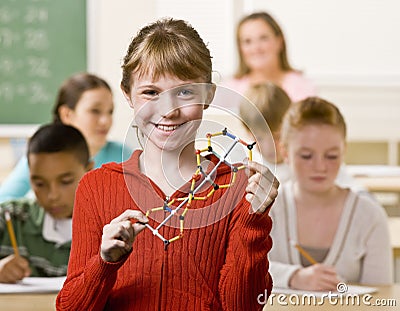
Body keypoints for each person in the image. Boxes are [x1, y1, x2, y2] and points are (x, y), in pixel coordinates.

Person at [56, 18, 279, 311]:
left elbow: (243, 306)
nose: (168, 110)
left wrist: (254, 221)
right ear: (128, 95)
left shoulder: (237, 190)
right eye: (150, 92)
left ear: (208, 95)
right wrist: (105, 262)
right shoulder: (96, 187)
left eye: (185, 92)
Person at [268, 97, 393, 290]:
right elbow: (241, 273)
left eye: (332, 156)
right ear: (285, 152)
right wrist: (294, 277)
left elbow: (382, 295)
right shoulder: (267, 209)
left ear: (344, 151)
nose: (320, 167)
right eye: (306, 156)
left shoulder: (370, 216)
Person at [0, 72, 129, 203]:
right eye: (95, 111)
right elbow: (3, 201)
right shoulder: (43, 156)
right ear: (67, 114)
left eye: (110, 111)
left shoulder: (125, 157)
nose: (105, 121)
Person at [0, 124, 92, 283]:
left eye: (65, 182)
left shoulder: (111, 230)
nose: (52, 195)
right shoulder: (10, 216)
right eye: (40, 184)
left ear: (89, 171)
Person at [239, 83, 367, 192]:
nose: (269, 147)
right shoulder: (243, 163)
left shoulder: (307, 154)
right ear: (248, 132)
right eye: (259, 138)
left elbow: (349, 186)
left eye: (277, 137)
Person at [222, 11, 315, 111]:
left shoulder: (301, 87)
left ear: (279, 42)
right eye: (247, 41)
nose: (256, 48)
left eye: (263, 38)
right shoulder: (229, 90)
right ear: (240, 48)